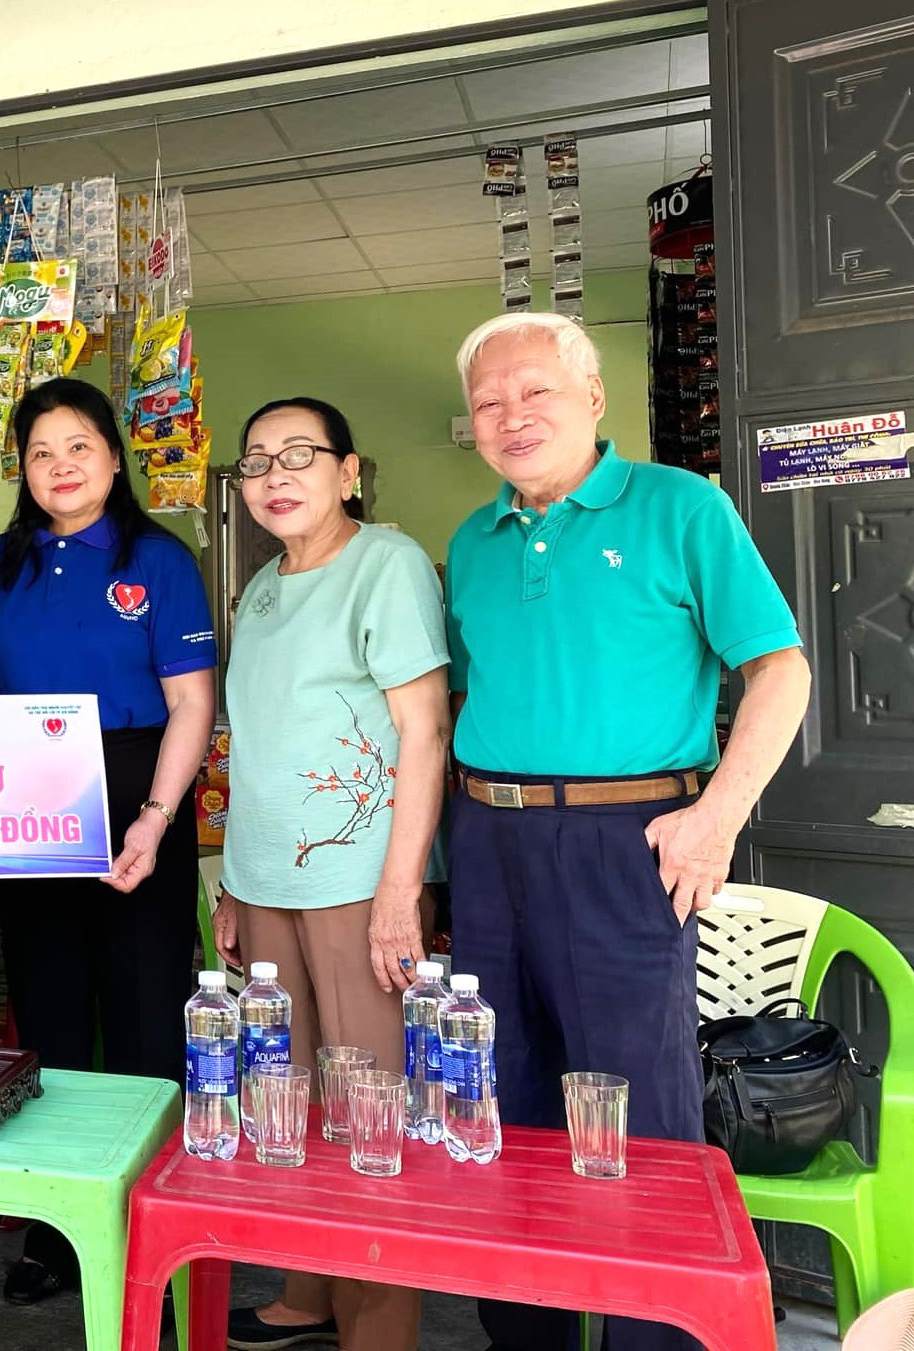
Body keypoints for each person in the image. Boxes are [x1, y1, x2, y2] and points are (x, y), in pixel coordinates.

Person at [445, 312, 810, 1351]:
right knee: (501, 1098)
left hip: (629, 842)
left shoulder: (678, 507)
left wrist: (715, 818)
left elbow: (779, 670)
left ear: (593, 397)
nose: (511, 416)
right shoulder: (472, 541)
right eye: (487, 402)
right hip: (486, 839)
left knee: (636, 1113)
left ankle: (658, 1337)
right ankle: (524, 1334)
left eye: (535, 392)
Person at [0, 376, 216, 1305]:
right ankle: (60, 1235)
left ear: (112, 456)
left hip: (142, 786)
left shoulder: (159, 557)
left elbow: (191, 702)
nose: (60, 467)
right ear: (21, 468)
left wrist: (153, 816)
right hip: (30, 795)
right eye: (39, 452)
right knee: (51, 1021)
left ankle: (157, 1238)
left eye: (78, 447)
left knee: (145, 1020)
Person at [209, 398, 447, 1351]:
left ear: (349, 471)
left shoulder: (382, 564)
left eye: (299, 454)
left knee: (366, 1105)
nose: (275, 474)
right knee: (287, 1095)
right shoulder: (262, 587)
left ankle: (377, 1327)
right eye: (257, 458)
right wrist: (230, 874)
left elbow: (423, 732)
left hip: (356, 878)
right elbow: (256, 742)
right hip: (266, 877)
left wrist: (401, 894)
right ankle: (307, 1290)